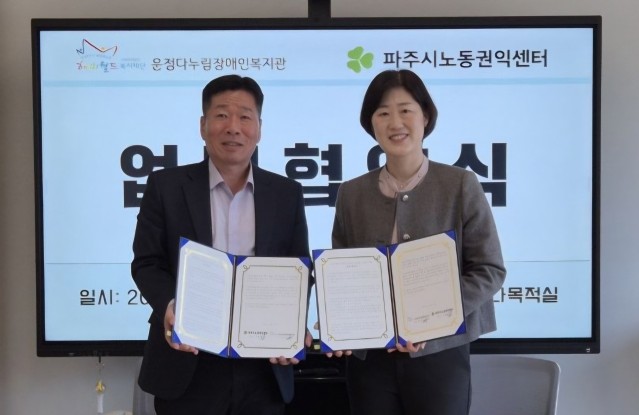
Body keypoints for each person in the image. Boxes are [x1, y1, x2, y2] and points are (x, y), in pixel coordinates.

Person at [131, 74, 311, 415]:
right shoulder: (166, 186)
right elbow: (147, 263)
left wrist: (291, 323)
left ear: (259, 128)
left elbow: (299, 271)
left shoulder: (286, 193)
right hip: (188, 361)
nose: (233, 128)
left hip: (263, 367)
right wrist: (170, 305)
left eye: (245, 116)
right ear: (203, 125)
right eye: (222, 115)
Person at [330, 69, 506, 415]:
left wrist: (431, 320)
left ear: (425, 116)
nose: (395, 122)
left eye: (405, 110)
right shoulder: (351, 193)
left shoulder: (460, 184)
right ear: (371, 124)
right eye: (383, 113)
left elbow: (489, 269)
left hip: (440, 353)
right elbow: (342, 275)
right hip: (371, 360)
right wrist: (338, 320)